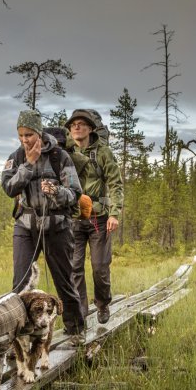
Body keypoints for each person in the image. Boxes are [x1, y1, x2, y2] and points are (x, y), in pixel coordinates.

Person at [1, 109, 86, 337]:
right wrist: (28, 166)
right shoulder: (17, 157)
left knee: (64, 281)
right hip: (25, 227)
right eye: (20, 136)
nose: (24, 140)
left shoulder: (60, 157)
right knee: (20, 285)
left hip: (57, 227)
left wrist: (57, 192)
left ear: (38, 132)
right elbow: (9, 188)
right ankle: (18, 335)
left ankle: (76, 330)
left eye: (29, 135)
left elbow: (75, 193)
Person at [64, 109, 124, 324]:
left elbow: (116, 184)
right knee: (74, 267)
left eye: (81, 124)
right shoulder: (65, 152)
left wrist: (114, 214)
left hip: (99, 219)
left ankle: (103, 304)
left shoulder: (102, 152)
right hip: (73, 219)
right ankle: (81, 311)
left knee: (100, 267)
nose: (77, 127)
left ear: (90, 128)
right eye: (73, 125)